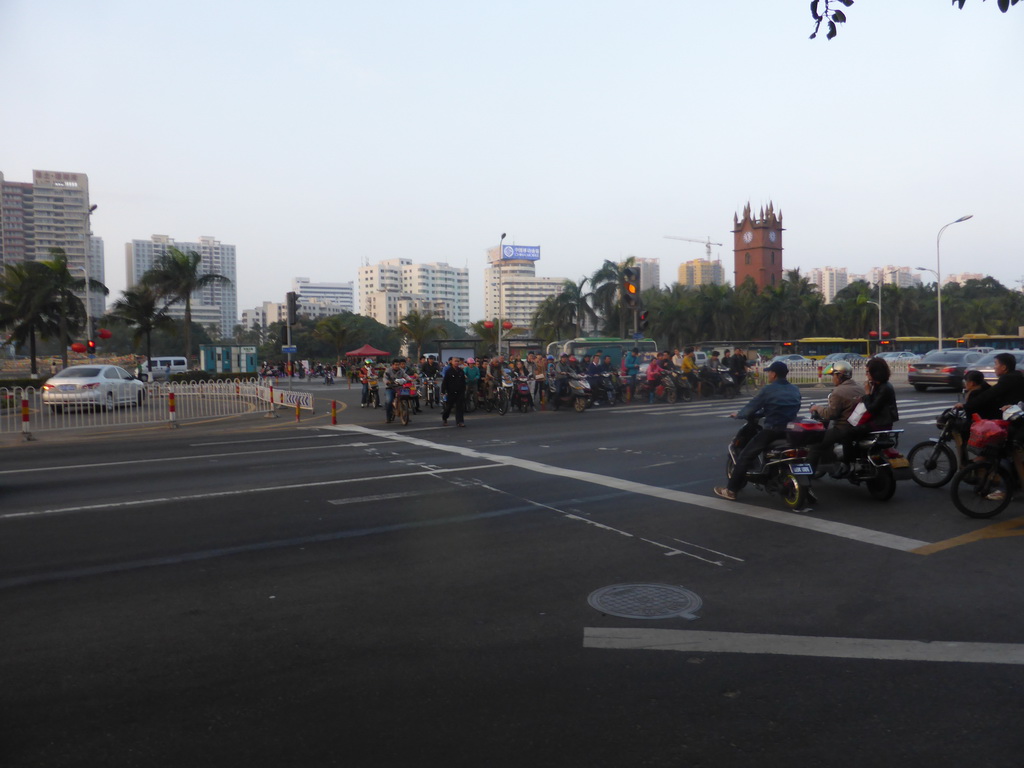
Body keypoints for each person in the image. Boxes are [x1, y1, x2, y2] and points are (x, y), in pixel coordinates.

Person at [714, 361, 802, 501]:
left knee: (745, 456)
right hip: (790, 430)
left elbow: (752, 406)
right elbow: (787, 407)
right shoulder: (794, 389)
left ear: (773, 374)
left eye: (769, 372)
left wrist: (739, 414)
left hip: (772, 429)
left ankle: (731, 490)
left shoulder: (769, 389)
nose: (768, 375)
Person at [807, 360, 865, 470]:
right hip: (859, 427)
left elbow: (831, 414)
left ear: (840, 375)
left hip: (843, 428)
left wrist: (817, 408)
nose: (832, 378)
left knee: (816, 446)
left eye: (833, 375)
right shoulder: (860, 387)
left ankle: (805, 478)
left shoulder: (838, 392)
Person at [958, 352, 1024, 418]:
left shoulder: (1008, 379)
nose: (994, 367)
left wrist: (966, 406)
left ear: (1004, 367)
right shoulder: (1016, 376)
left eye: (996, 364)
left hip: (1008, 415)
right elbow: (992, 390)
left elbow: (990, 394)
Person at [441, 357, 467, 427]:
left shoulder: (461, 371)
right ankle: (445, 418)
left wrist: (464, 389)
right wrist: (443, 391)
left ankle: (460, 421)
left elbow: (463, 381)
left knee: (460, 407)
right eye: (455, 361)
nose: (457, 363)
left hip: (460, 391)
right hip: (451, 391)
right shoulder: (449, 371)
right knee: (449, 406)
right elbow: (445, 382)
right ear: (451, 362)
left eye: (458, 361)